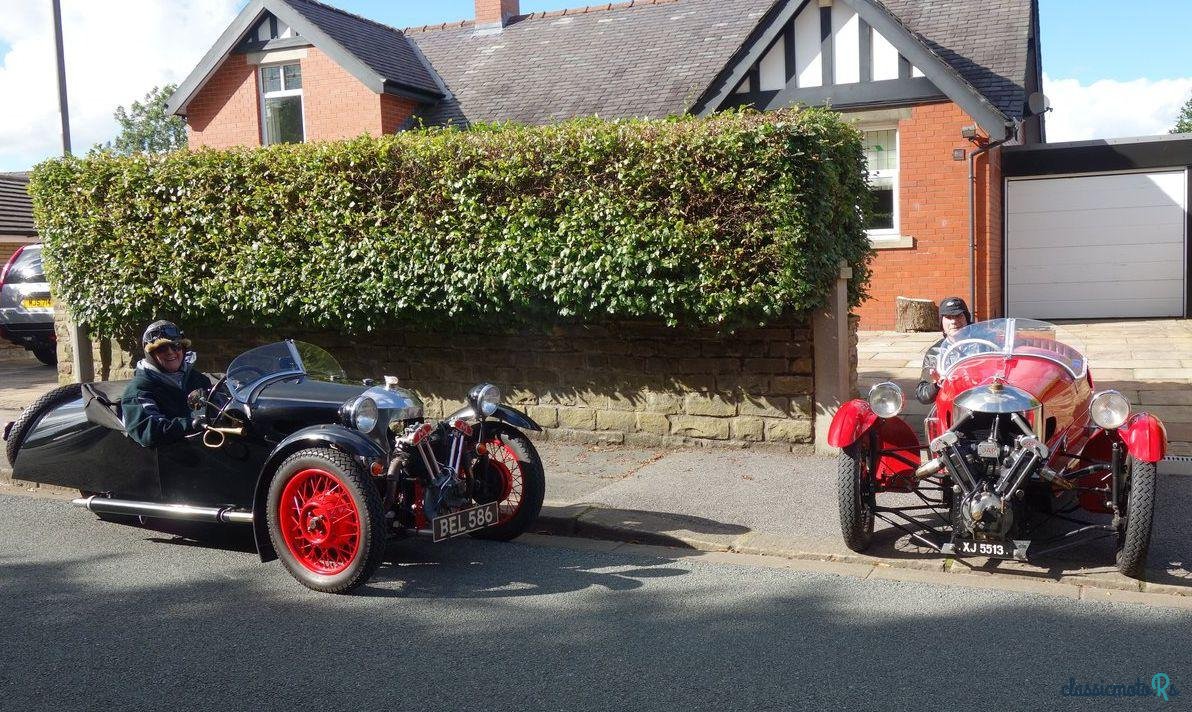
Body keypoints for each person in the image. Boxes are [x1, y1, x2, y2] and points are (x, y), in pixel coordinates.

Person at [121, 320, 213, 448]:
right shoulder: (139, 389)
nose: (170, 352)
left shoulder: (198, 379)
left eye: (176, 346)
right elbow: (150, 431)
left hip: (211, 454)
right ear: (151, 354)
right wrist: (191, 424)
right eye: (162, 348)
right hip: (170, 462)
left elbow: (220, 407)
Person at [915, 297, 973, 405]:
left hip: (981, 397)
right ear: (942, 322)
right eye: (948, 317)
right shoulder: (935, 353)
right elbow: (922, 395)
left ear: (966, 318)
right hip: (951, 404)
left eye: (958, 316)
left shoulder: (983, 344)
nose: (954, 321)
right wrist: (937, 384)